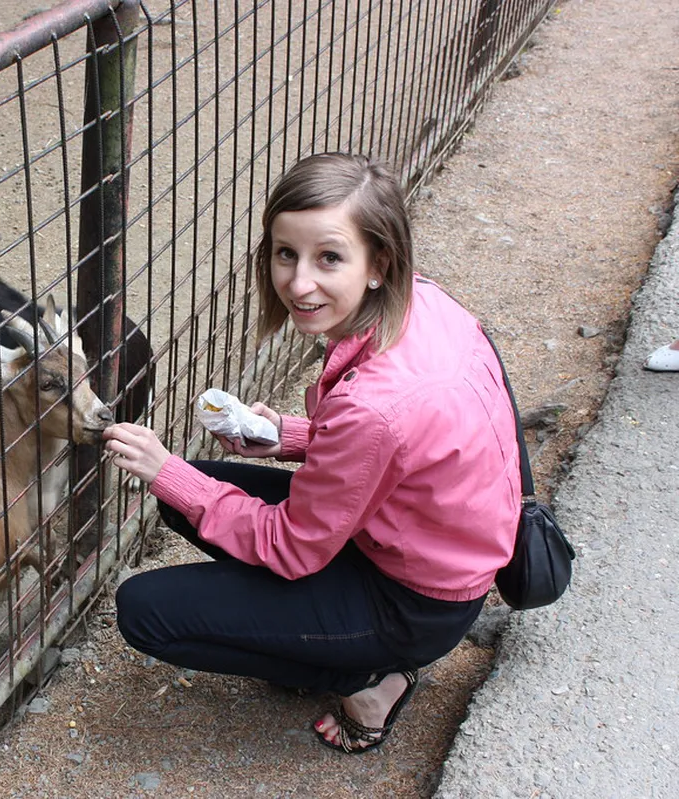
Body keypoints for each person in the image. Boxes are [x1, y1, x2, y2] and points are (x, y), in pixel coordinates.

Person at [102, 152, 521, 754]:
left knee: (143, 610)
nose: (298, 283)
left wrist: (166, 470)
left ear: (379, 262)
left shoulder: (376, 404)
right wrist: (293, 437)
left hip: (411, 601)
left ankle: (372, 678)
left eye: (329, 257)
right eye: (285, 253)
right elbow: (395, 453)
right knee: (184, 494)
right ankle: (307, 632)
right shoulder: (422, 302)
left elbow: (293, 545)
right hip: (407, 540)